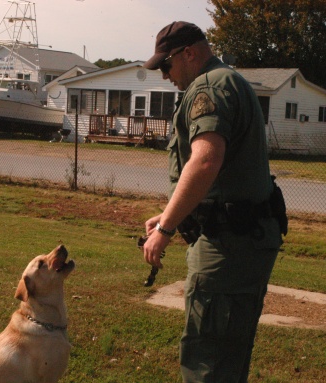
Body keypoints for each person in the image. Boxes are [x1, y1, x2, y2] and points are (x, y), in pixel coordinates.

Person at [142, 21, 287, 383]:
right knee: (228, 354)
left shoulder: (208, 86)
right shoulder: (229, 80)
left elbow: (206, 160)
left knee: (208, 356)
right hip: (243, 238)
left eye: (166, 65)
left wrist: (166, 227)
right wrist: (173, 211)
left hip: (228, 245)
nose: (165, 75)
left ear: (188, 53)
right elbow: (224, 180)